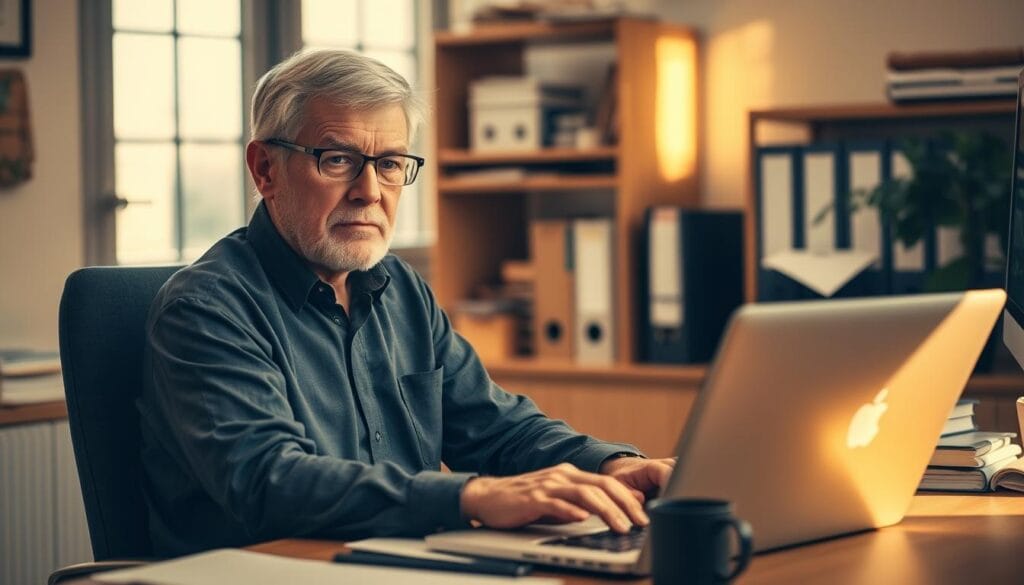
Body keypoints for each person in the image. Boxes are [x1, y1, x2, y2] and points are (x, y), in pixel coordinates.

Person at [138, 49, 675, 557]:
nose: (370, 191)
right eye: (338, 159)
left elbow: (493, 427)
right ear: (265, 171)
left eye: (390, 164)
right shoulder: (206, 309)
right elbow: (269, 481)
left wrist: (609, 464)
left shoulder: (399, 287)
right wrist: (471, 498)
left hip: (397, 566)